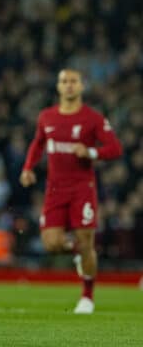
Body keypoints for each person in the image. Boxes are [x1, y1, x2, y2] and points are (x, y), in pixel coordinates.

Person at [20, 68, 122, 314]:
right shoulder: (47, 117)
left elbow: (115, 148)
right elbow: (38, 142)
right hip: (55, 189)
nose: (68, 85)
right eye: (64, 81)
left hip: (82, 189)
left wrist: (92, 152)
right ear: (58, 86)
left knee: (87, 241)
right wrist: (28, 168)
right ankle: (77, 254)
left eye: (73, 81)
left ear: (81, 86)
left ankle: (87, 296)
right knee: (51, 243)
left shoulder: (92, 118)